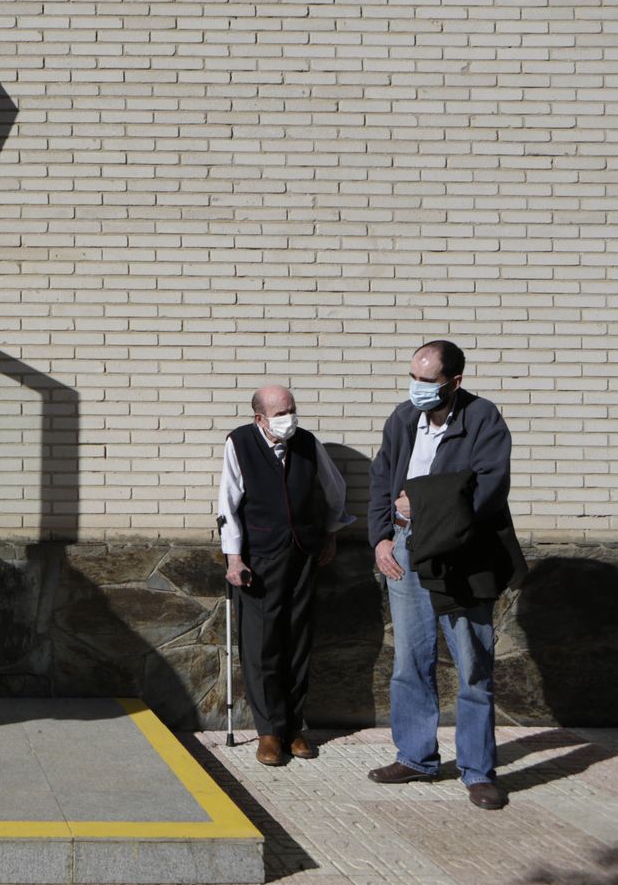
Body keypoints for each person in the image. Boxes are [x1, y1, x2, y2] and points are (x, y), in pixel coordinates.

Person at [366, 340, 522, 810]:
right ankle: (416, 756)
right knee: (410, 659)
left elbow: (488, 489)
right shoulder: (402, 419)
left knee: (473, 664)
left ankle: (478, 771)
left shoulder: (483, 419)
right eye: (412, 378)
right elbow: (381, 478)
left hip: (463, 552)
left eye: (427, 381)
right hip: (406, 545)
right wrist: (381, 537)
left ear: (454, 381)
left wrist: (427, 506)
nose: (417, 388)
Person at [218, 384, 352, 767]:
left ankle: (294, 726)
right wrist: (233, 559)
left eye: (291, 409)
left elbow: (335, 489)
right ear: (259, 418)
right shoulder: (240, 443)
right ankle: (269, 731)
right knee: (262, 643)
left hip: (303, 552)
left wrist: (330, 533)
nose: (288, 418)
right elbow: (228, 501)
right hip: (258, 556)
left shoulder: (308, 443)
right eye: (280, 412)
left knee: (297, 637)